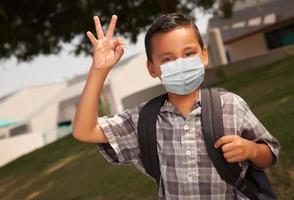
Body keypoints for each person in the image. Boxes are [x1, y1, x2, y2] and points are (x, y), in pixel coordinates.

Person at [72, 13, 280, 200]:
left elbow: (269, 155)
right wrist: (99, 70)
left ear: (204, 55)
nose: (180, 63)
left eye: (189, 53)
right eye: (168, 59)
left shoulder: (230, 105)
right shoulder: (143, 120)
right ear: (152, 68)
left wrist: (251, 150)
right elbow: (85, 131)